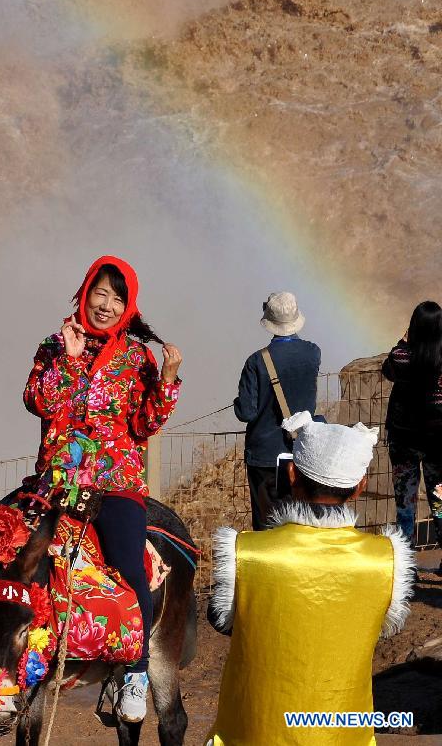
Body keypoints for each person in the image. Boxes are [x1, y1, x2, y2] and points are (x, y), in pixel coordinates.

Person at [23, 255, 182, 722]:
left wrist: (167, 381)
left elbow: (145, 423)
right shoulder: (54, 346)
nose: (106, 305)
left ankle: (134, 672)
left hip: (115, 483)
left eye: (117, 298)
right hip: (56, 480)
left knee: (130, 566)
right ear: (85, 292)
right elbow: (38, 401)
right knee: (8, 552)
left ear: (128, 307)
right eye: (101, 293)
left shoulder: (137, 357)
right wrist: (69, 361)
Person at [205, 412, 415, 746]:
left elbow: (222, 620)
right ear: (360, 486)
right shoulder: (385, 560)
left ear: (291, 473)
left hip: (253, 732)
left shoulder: (246, 552)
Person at [234, 292, 321, 529]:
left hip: (265, 456)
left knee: (267, 525)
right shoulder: (313, 353)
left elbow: (246, 412)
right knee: (300, 523)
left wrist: (238, 402)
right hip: (301, 451)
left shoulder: (256, 361)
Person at [382, 300, 442, 555]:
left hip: (404, 441)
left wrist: (404, 340)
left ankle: (406, 563)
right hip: (437, 444)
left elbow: (388, 369)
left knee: (405, 504)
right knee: (440, 503)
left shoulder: (402, 356)